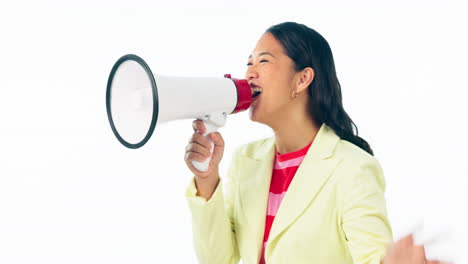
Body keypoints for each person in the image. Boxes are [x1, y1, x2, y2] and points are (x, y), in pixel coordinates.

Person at [184, 22, 447, 264]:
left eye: (263, 61)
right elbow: (217, 258)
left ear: (302, 79)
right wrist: (207, 180)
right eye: (248, 62)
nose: (249, 73)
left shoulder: (352, 168)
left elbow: (371, 257)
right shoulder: (245, 160)